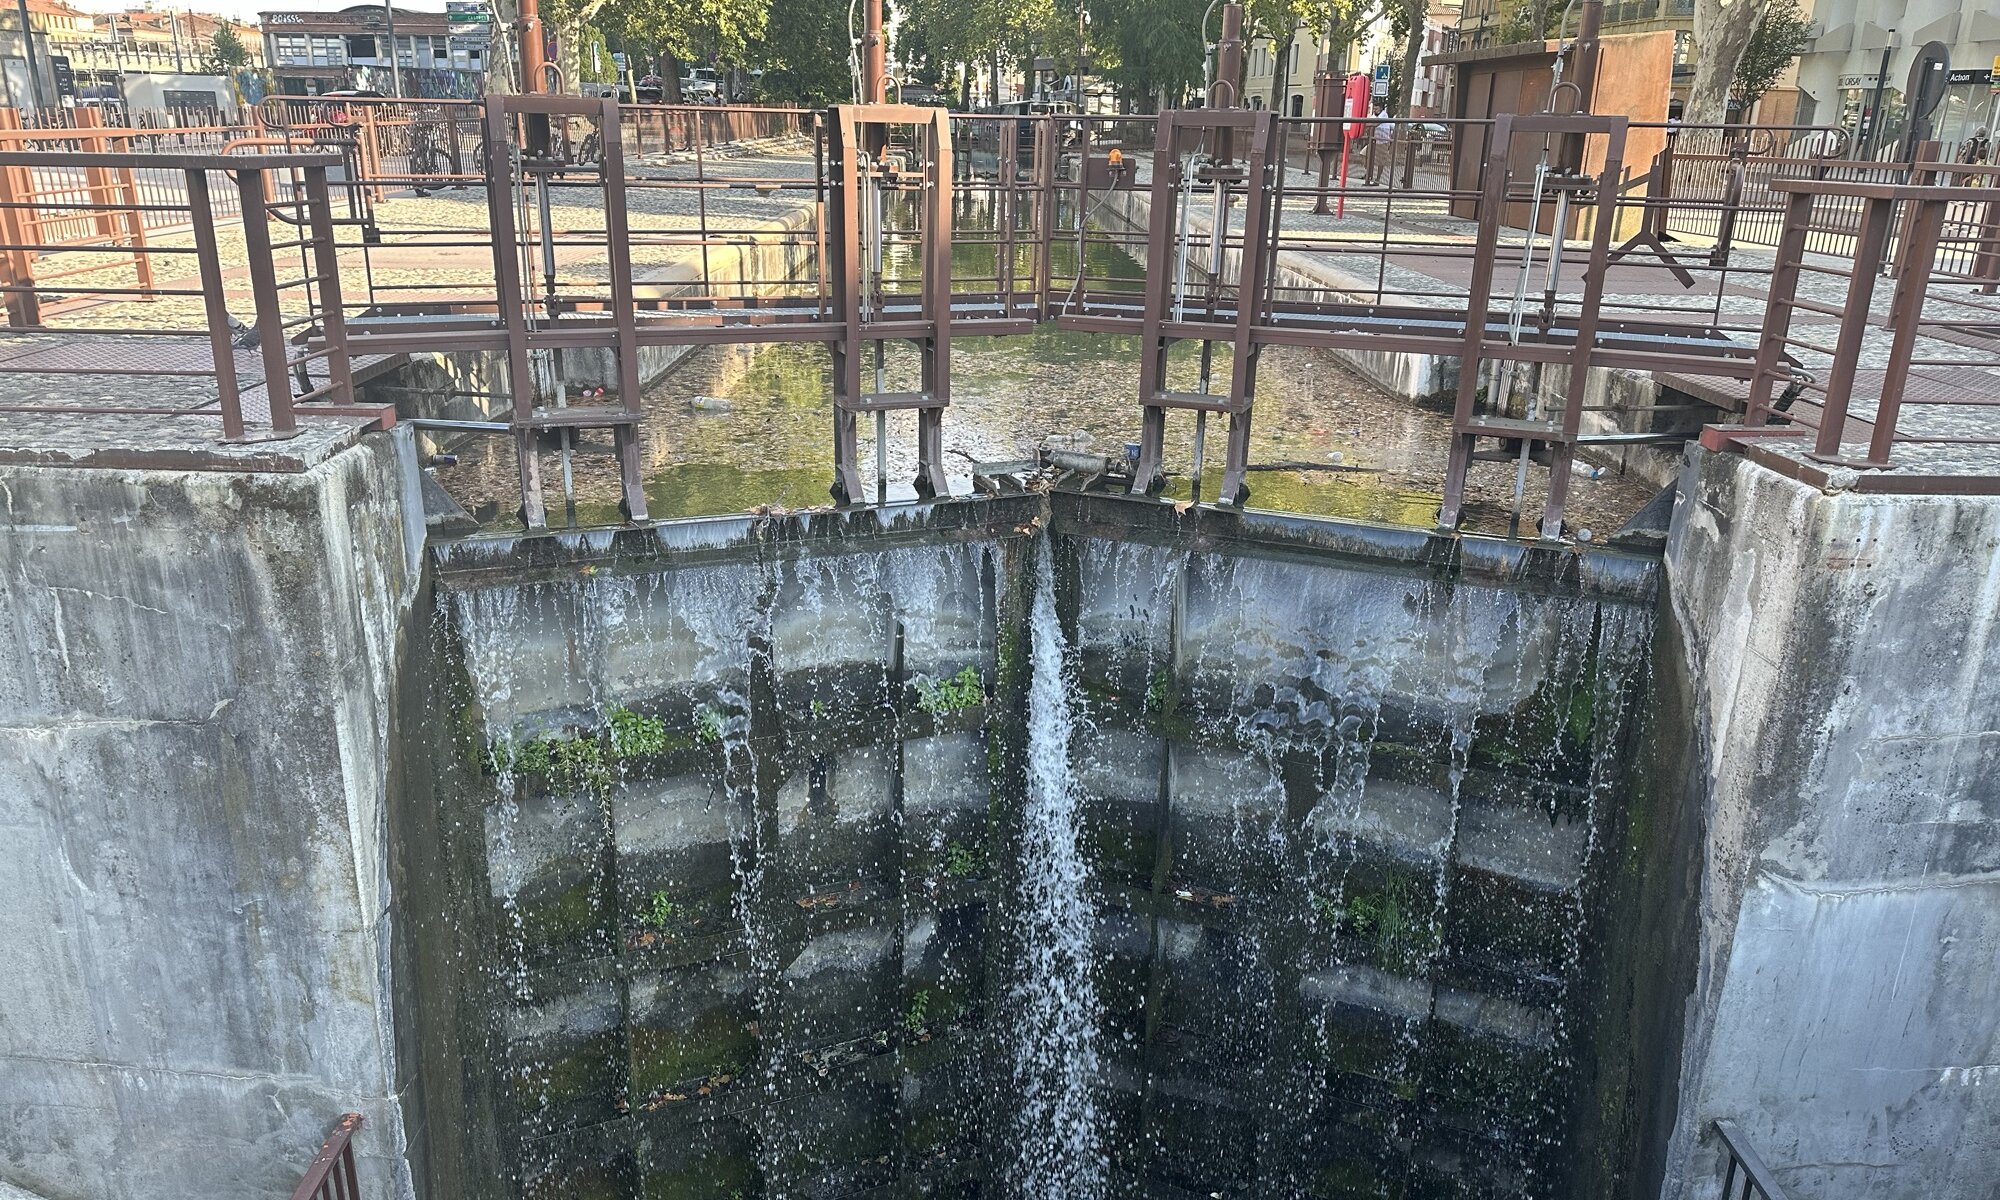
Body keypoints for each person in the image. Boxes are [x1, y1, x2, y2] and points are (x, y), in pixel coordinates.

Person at [1365, 106, 1396, 185]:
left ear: (1381, 109)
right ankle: (1368, 174)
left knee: (1380, 161)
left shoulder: (1384, 115)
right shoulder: (1374, 115)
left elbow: (1375, 124)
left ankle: (1377, 179)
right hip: (1374, 141)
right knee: (1365, 154)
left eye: (1376, 109)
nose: (1374, 110)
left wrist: (1365, 124)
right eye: (1374, 109)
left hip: (1382, 142)